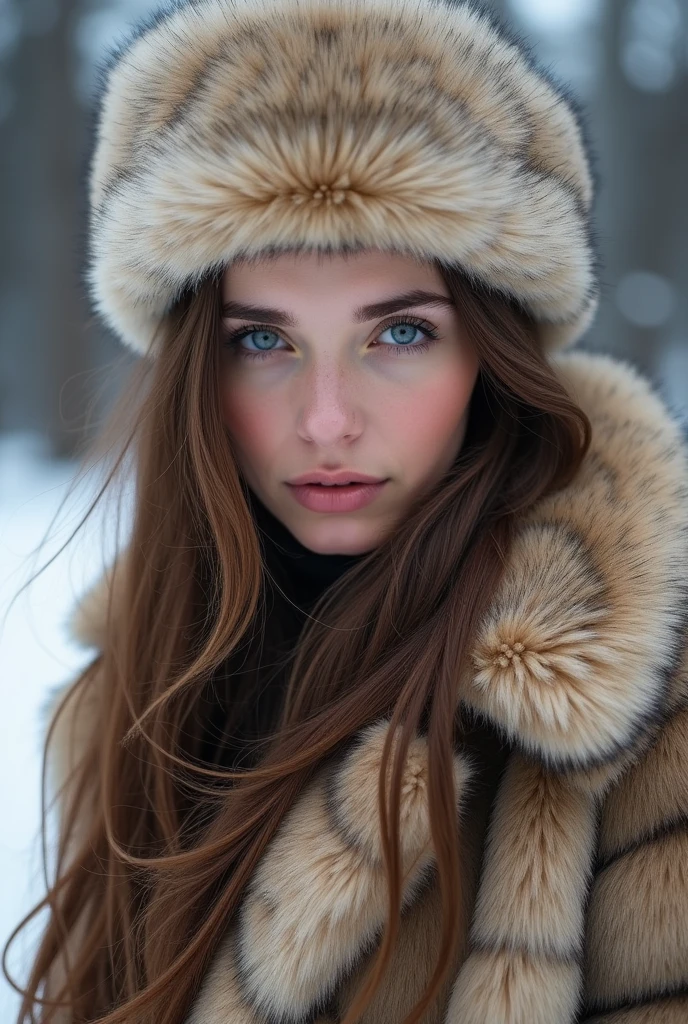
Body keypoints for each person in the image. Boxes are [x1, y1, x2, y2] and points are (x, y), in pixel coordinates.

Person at [6, 0, 688, 1022]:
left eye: (400, 334)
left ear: (489, 354)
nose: (326, 420)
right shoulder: (131, 706)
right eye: (262, 341)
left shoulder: (634, 717)